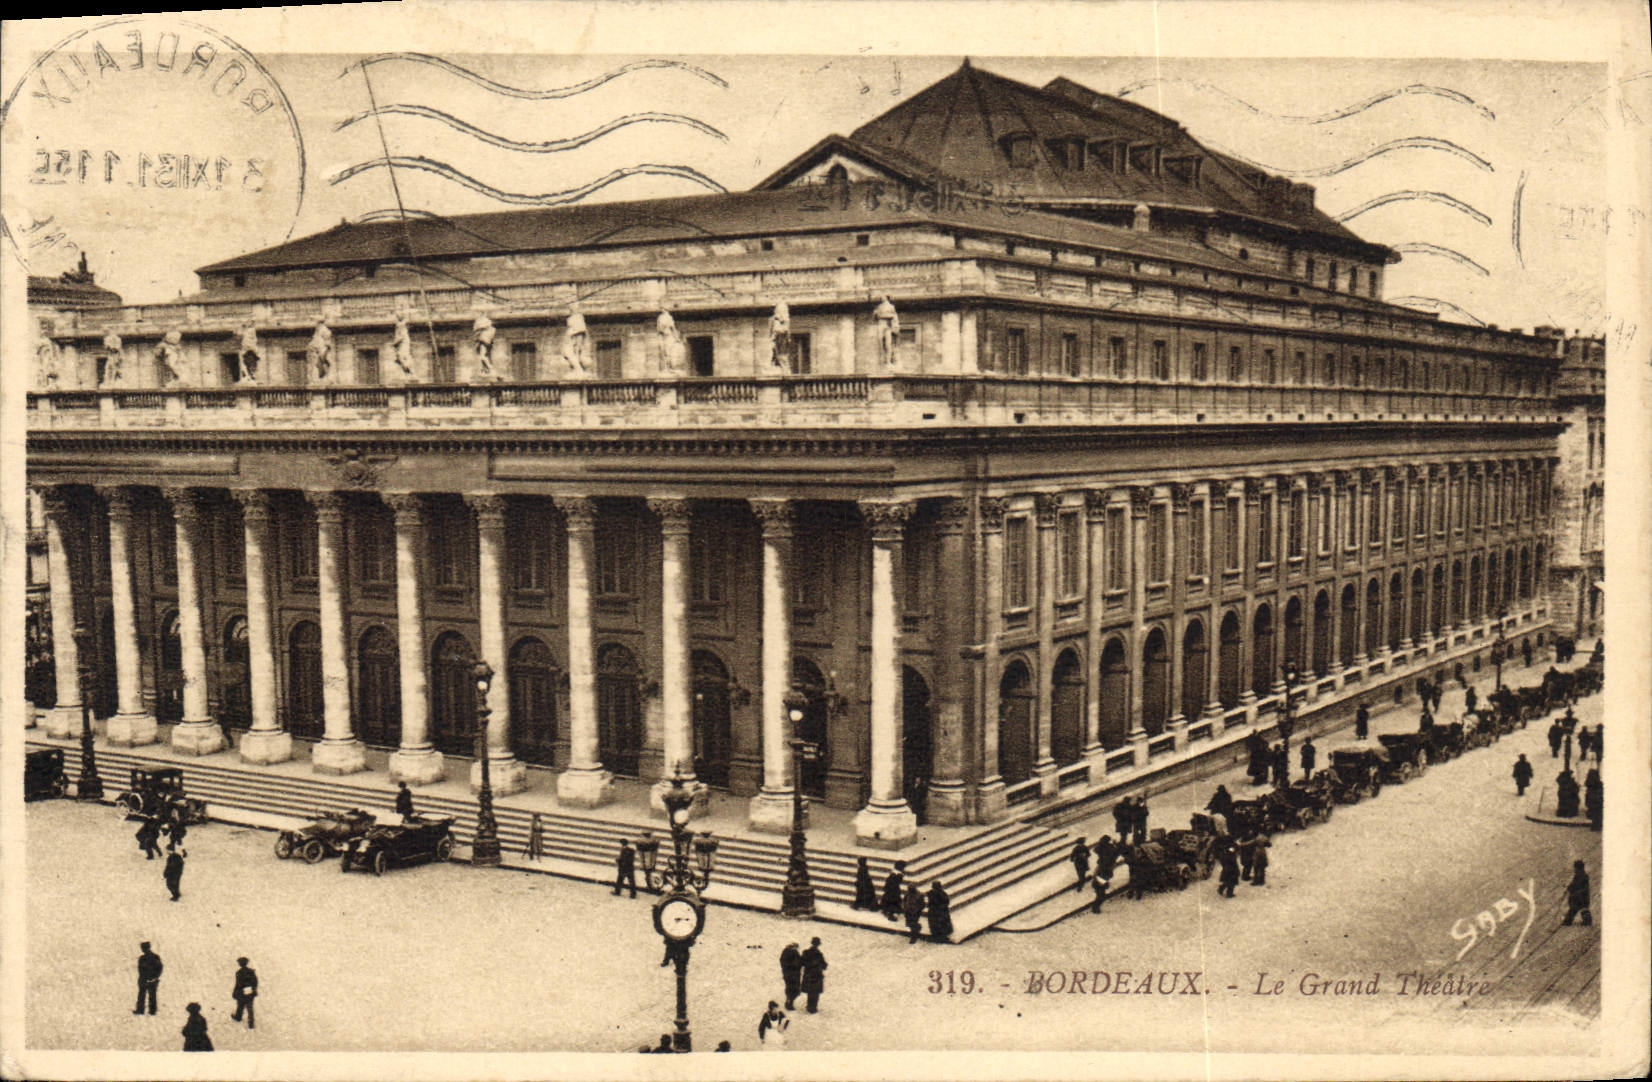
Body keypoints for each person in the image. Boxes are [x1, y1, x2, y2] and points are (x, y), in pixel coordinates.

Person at [800, 937, 828, 1013]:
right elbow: (825, 965)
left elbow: (801, 962)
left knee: (810, 992)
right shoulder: (819, 954)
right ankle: (813, 1007)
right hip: (817, 976)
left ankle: (810, 1006)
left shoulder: (806, 952)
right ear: (818, 945)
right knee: (815, 992)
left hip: (808, 976)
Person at [134, 942, 162, 1015]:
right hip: (149, 979)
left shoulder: (144, 958)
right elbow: (159, 968)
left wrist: (152, 977)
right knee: (148, 996)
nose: (143, 950)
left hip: (146, 979)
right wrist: (155, 977)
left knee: (145, 995)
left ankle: (143, 1010)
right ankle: (149, 1011)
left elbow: (159, 968)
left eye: (143, 948)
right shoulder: (154, 957)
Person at [1562, 861, 1592, 926]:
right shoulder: (1579, 876)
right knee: (1575, 909)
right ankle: (1568, 921)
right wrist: (1570, 887)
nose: (1575, 869)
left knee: (1581, 909)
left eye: (1576, 868)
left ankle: (1586, 921)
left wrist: (1571, 888)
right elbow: (1574, 885)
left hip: (1581, 897)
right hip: (1579, 897)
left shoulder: (1582, 876)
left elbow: (1578, 886)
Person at [231, 957, 258, 1029]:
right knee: (249, 1007)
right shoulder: (251, 971)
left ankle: (238, 1017)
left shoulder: (239, 973)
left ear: (240, 964)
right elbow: (255, 981)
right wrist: (253, 989)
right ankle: (251, 1022)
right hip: (250, 992)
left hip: (242, 992)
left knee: (240, 1004)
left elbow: (238, 984)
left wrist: (235, 992)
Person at [779, 942, 803, 1010]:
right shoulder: (794, 953)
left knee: (789, 988)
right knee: (794, 989)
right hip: (794, 975)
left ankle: (788, 1001)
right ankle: (790, 1003)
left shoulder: (785, 952)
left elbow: (782, 962)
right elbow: (798, 963)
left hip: (787, 974)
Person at [1584, 768, 1603, 832]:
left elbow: (1588, 792)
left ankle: (1594, 825)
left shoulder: (1588, 783)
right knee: (1598, 814)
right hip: (1596, 801)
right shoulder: (1598, 783)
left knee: (1594, 814)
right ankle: (1597, 826)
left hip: (1591, 800)